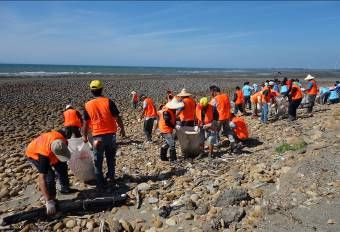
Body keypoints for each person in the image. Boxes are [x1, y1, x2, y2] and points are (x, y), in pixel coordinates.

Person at [83, 80, 126, 190]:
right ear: (102, 89)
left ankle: (100, 182)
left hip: (97, 137)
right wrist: (122, 128)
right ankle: (111, 178)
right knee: (110, 158)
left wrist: (84, 135)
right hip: (110, 135)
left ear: (91, 91)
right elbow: (117, 117)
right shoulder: (108, 102)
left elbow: (86, 123)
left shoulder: (87, 105)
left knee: (98, 160)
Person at [26, 130, 75, 215]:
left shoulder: (61, 138)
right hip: (34, 153)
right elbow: (42, 179)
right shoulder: (44, 157)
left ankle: (65, 188)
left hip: (49, 147)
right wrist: (48, 201)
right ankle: (52, 199)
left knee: (62, 166)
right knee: (50, 176)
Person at [209, 85, 239, 154]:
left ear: (214, 91)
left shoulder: (215, 99)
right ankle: (232, 142)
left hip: (219, 118)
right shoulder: (226, 96)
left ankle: (217, 144)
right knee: (228, 130)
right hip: (227, 116)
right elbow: (230, 105)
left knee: (216, 131)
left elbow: (210, 108)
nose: (211, 94)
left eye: (211, 92)